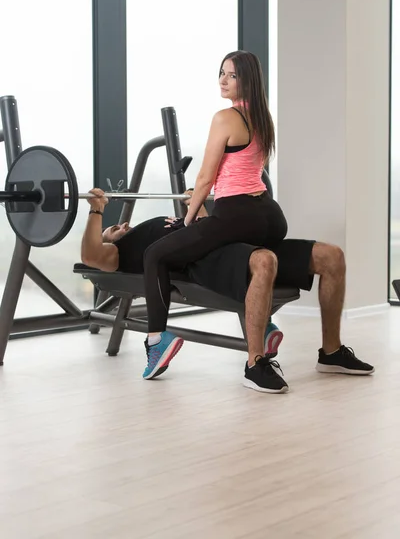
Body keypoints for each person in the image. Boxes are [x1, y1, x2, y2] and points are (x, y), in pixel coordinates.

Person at [81, 188, 374, 393]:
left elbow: (211, 230)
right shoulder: (125, 253)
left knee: (331, 255)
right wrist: (97, 210)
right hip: (202, 260)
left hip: (221, 238)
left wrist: (195, 205)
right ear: (107, 241)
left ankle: (332, 353)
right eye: (110, 229)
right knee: (263, 261)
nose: (120, 225)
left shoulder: (154, 227)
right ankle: (256, 363)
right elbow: (92, 256)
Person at [142, 51, 290, 391]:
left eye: (231, 76)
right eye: (221, 73)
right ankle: (264, 327)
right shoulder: (263, 117)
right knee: (242, 256)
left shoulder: (226, 117)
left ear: (246, 81)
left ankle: (156, 341)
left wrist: (188, 218)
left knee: (155, 255)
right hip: (270, 215)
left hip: (236, 213)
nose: (222, 80)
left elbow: (207, 177)